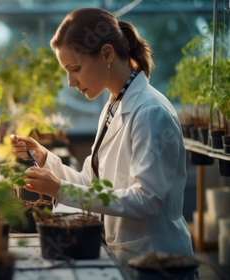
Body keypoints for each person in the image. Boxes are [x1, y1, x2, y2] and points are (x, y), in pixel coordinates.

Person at [11, 7, 194, 266]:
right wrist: (45, 159)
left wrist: (60, 189)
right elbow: (93, 183)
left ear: (106, 53)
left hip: (157, 262)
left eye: (75, 68)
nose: (70, 82)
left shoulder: (151, 111)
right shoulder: (113, 105)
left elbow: (147, 200)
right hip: (126, 255)